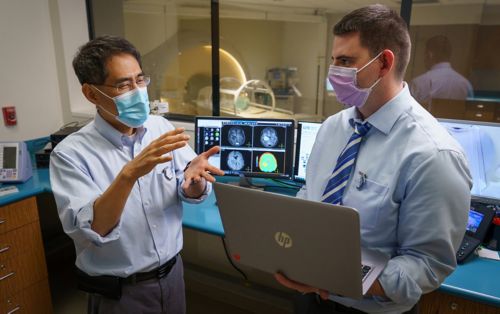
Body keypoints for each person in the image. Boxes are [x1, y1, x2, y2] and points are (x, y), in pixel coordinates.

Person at [274, 5, 472, 314]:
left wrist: (346, 279)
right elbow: (310, 196)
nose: (333, 71)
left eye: (345, 61)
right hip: (309, 298)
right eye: (333, 60)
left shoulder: (433, 154)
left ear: (384, 64)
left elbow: (428, 264)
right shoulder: (333, 128)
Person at [50, 35, 224, 314]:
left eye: (140, 80)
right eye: (123, 85)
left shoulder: (160, 127)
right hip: (121, 292)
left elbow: (188, 186)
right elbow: (92, 230)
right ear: (91, 94)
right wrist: (129, 175)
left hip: (173, 276)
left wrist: (194, 182)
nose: (138, 91)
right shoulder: (70, 154)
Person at [410, 35, 473, 105]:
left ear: (429, 54)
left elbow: (406, 111)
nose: (424, 58)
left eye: (424, 54)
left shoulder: (418, 83)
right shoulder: (466, 84)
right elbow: (470, 110)